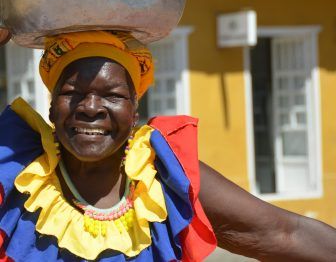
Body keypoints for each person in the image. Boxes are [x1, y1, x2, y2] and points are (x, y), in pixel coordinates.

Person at [0, 30, 336, 262]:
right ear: (50, 106)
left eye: (113, 95)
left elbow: (284, 234)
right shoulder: (17, 174)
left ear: (134, 112)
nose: (90, 107)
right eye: (71, 92)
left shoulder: (165, 177)